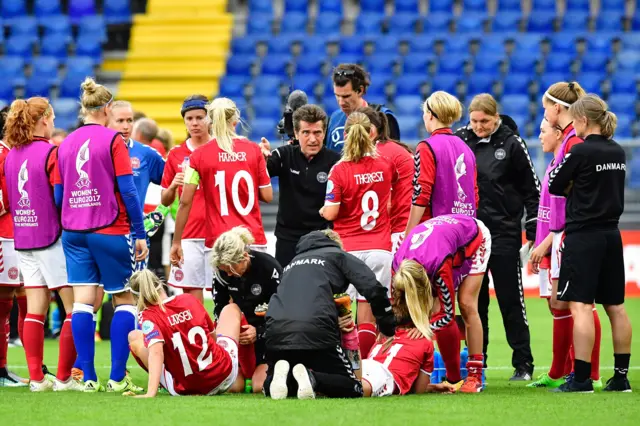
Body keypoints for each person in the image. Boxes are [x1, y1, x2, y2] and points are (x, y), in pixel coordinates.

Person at [56, 78, 148, 393]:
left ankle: (89, 377)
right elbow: (129, 190)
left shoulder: (65, 143)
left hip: (73, 231)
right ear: (107, 109)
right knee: (123, 299)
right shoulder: (113, 141)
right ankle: (117, 377)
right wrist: (139, 232)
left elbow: (58, 194)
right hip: (109, 228)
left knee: (82, 303)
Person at [549, 94, 631, 393]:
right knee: (617, 307)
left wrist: (576, 184)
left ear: (582, 120)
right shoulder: (618, 152)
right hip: (612, 234)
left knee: (581, 305)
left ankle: (581, 378)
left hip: (583, 235)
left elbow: (556, 184)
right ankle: (621, 377)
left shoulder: (580, 152)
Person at [454, 93, 539, 380]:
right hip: (470, 235)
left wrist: (532, 232)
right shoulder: (460, 138)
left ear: (496, 117)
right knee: (473, 303)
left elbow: (532, 190)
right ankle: (479, 362)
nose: (479, 126)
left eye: (485, 121)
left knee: (510, 300)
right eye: (474, 121)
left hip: (503, 232)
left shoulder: (512, 143)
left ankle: (523, 364)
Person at [529, 82, 603, 388]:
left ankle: (590, 374)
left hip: (568, 235)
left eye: (547, 107)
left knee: (578, 303)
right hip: (556, 237)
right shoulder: (566, 146)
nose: (544, 116)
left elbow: (571, 200)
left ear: (557, 108)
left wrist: (550, 239)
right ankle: (563, 370)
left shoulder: (574, 145)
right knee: (561, 305)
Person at [2, 97, 79, 391]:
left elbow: (9, 200)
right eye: (54, 118)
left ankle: (36, 379)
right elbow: (60, 197)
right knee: (73, 307)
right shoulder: (51, 152)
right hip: (52, 237)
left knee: (35, 310)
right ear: (44, 119)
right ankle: (63, 378)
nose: (55, 123)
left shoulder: (12, 155)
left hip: (23, 238)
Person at [263, 230, 395, 400]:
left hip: (276, 331)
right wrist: (387, 326)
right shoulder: (338, 255)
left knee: (271, 384)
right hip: (317, 330)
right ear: (336, 244)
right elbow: (373, 288)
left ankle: (282, 379)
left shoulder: (292, 264)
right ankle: (313, 378)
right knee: (354, 387)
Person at [320, 111, 394, 358]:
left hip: (348, 250)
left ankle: (347, 366)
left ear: (345, 135)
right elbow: (389, 204)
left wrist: (322, 210)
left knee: (344, 313)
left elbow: (331, 213)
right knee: (368, 313)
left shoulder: (339, 170)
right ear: (371, 132)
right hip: (380, 247)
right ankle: (365, 367)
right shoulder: (385, 166)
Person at [170, 98, 272, 273]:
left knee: (223, 298)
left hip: (218, 241)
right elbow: (267, 196)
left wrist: (177, 241)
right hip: (252, 239)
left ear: (210, 121)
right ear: (235, 121)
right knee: (255, 298)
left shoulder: (198, 156)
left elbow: (185, 201)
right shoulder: (254, 150)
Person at [394, 214, 492, 393]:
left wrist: (424, 327)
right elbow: (396, 308)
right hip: (441, 240)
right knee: (425, 315)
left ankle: (473, 376)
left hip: (473, 237)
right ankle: (452, 378)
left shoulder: (438, 266)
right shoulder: (397, 265)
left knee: (466, 303)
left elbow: (447, 316)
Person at [127, 269, 243, 397]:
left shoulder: (148, 316)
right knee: (231, 309)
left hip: (187, 388)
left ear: (137, 298)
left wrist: (150, 393)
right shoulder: (189, 299)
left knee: (134, 337)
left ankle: (163, 384)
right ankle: (241, 373)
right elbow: (213, 337)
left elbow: (156, 352)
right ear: (160, 283)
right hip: (223, 375)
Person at [258, 104, 340, 267]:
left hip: (322, 238)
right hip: (288, 239)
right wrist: (262, 159)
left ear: (324, 133)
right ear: (296, 133)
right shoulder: (283, 155)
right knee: (286, 288)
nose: (312, 139)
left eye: (317, 132)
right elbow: (261, 173)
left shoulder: (335, 161)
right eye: (306, 132)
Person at [362, 260, 456, 397]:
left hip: (365, 367)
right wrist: (431, 387)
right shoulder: (425, 343)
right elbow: (418, 390)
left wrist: (432, 387)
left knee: (341, 387)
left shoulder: (383, 334)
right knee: (353, 391)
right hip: (380, 378)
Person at [210, 226, 282, 393]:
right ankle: (230, 361)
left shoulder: (268, 267)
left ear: (244, 257)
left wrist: (258, 332)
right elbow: (220, 309)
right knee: (233, 387)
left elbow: (284, 312)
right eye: (224, 270)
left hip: (267, 335)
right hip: (240, 337)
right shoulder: (222, 272)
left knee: (259, 386)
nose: (227, 274)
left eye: (230, 269)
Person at [406, 91, 479, 235]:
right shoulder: (466, 148)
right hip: (466, 229)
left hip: (435, 230)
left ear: (431, 115)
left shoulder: (426, 146)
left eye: (425, 113)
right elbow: (474, 195)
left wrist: (409, 232)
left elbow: (422, 192)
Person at [162, 95, 211, 303]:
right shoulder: (175, 154)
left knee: (224, 294)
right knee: (191, 298)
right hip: (188, 234)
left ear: (209, 119)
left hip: (217, 232)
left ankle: (222, 336)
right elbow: (165, 200)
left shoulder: (221, 149)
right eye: (189, 118)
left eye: (199, 117)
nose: (195, 123)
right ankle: (198, 336)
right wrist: (173, 185)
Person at [109, 101, 168, 266]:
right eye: (120, 121)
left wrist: (160, 212)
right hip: (103, 233)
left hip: (135, 234)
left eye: (129, 120)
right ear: (107, 121)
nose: (126, 126)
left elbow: (171, 182)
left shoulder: (146, 154)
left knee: (135, 288)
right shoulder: (97, 151)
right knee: (101, 290)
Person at [358, 106, 413, 253]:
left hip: (397, 232)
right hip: (407, 228)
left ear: (370, 131)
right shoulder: (392, 148)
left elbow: (385, 203)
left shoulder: (378, 155)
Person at [0, 106, 28, 388]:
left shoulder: (12, 154)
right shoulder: (2, 154)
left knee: (12, 299)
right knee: (4, 301)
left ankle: (4, 367)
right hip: (4, 237)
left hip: (16, 236)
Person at [326, 63, 400, 152]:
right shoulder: (334, 119)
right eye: (337, 96)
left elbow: (395, 156)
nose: (341, 102)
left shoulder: (383, 117)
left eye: (346, 96)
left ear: (360, 90)